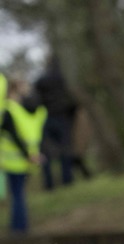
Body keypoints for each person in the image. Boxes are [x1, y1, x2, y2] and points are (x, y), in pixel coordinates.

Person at [1, 78, 45, 234]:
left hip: (14, 160)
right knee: (19, 194)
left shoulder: (10, 110)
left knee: (17, 195)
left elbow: (15, 136)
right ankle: (20, 226)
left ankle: (18, 228)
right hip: (29, 159)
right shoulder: (33, 110)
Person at [33, 56, 79, 189]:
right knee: (65, 149)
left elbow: (36, 99)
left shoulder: (41, 81)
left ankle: (49, 184)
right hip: (62, 117)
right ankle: (67, 180)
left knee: (45, 150)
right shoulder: (63, 79)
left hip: (46, 117)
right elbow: (72, 100)